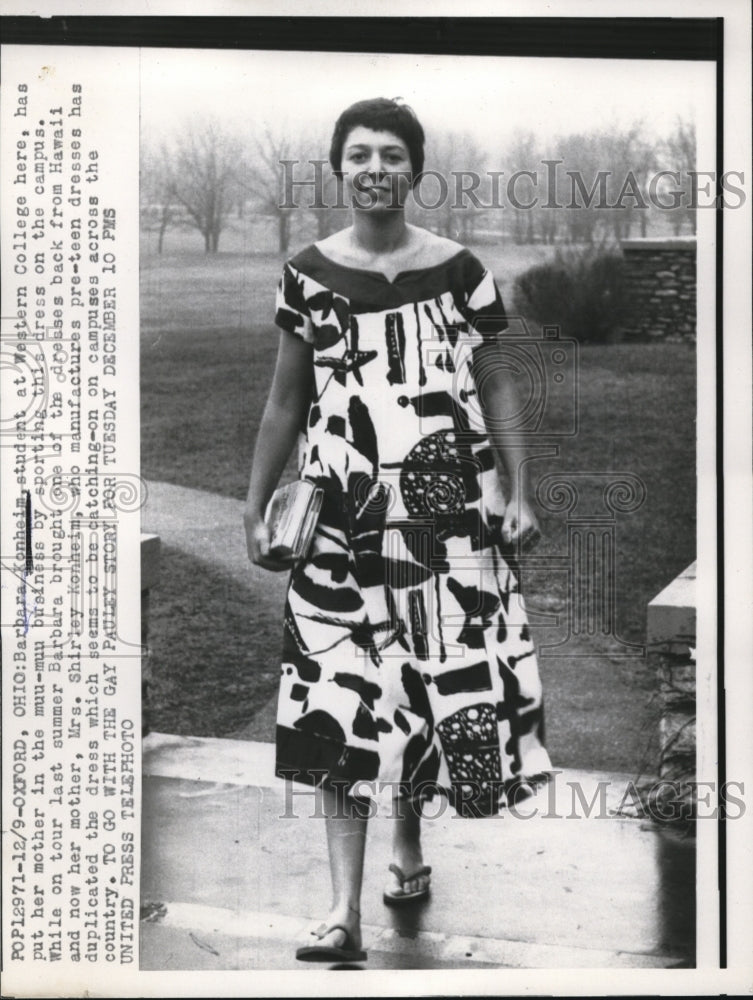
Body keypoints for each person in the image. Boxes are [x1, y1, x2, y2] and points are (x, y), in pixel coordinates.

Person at [244, 97, 551, 965]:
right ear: (337, 168)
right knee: (334, 700)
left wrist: (519, 491)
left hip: (443, 520)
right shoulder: (305, 274)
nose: (374, 168)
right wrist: (254, 500)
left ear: (414, 169)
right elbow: (283, 399)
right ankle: (341, 908)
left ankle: (408, 846)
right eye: (358, 155)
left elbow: (496, 386)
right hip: (337, 524)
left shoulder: (459, 271)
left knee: (421, 687)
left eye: (390, 155)